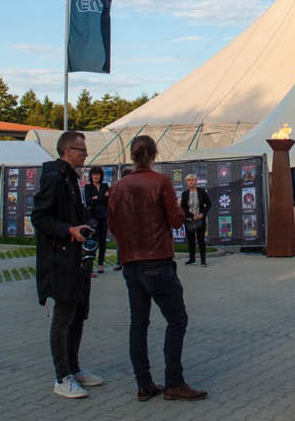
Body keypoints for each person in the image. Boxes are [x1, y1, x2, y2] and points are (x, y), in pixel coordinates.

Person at [108, 136, 207, 402]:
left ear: (132, 155)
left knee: (138, 324)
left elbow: (113, 226)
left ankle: (144, 384)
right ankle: (174, 382)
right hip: (157, 261)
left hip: (131, 263)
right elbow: (176, 220)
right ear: (154, 154)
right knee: (177, 319)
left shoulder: (118, 186)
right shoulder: (161, 181)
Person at [31, 130, 103, 399]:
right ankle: (62, 377)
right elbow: (39, 217)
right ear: (67, 151)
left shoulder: (72, 179)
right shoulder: (54, 178)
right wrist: (68, 230)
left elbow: (73, 213)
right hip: (60, 260)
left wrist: (86, 223)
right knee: (63, 318)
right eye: (81, 150)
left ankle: (74, 367)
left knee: (79, 314)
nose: (86, 154)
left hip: (78, 259)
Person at [180, 174, 211, 266]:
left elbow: (209, 204)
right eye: (189, 180)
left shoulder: (202, 191)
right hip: (189, 220)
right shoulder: (184, 194)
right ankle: (192, 259)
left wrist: (202, 214)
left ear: (196, 181)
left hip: (200, 219)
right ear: (187, 182)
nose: (191, 182)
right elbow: (183, 207)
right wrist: (191, 216)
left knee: (201, 240)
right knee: (191, 240)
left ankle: (203, 261)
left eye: (193, 180)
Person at [84, 166, 109, 275]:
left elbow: (108, 200)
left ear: (101, 176)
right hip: (93, 217)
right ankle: (90, 264)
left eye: (98, 174)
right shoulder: (88, 187)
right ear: (91, 176)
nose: (96, 176)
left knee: (102, 240)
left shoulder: (105, 186)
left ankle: (101, 263)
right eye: (94, 174)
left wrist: (96, 198)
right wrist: (101, 197)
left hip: (104, 216)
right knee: (92, 240)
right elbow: (89, 202)